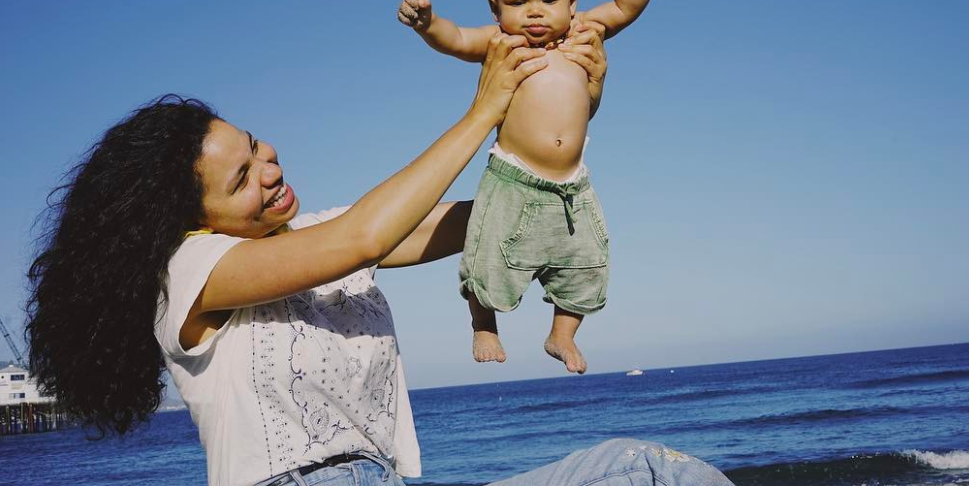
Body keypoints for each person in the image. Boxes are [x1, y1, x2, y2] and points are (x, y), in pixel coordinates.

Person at [25, 36, 733, 486]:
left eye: (256, 147)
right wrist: (482, 110)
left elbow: (492, 213)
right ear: (190, 219)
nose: (269, 171)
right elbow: (361, 237)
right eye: (240, 179)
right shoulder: (189, 271)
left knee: (651, 471)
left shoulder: (322, 233)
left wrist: (560, 117)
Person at [396, 0, 668, 374]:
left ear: (572, 0)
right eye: (518, 2)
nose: (535, 12)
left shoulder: (585, 31)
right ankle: (484, 323)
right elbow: (457, 38)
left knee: (587, 261)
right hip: (514, 179)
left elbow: (625, 6)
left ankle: (562, 334)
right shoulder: (501, 42)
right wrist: (428, 24)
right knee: (487, 257)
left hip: (572, 186)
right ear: (496, 6)